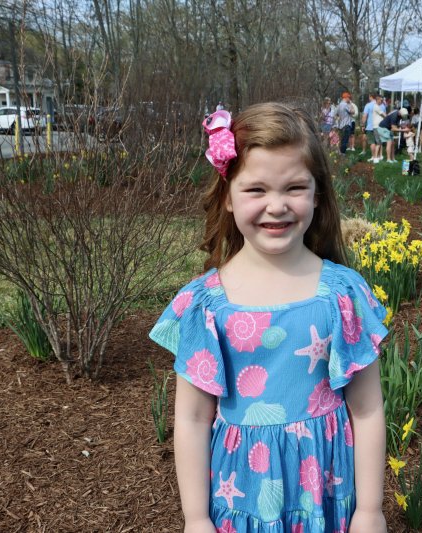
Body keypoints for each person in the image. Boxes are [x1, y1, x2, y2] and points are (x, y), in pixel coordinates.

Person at [152, 103, 389, 532]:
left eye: (295, 187)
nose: (276, 205)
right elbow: (191, 418)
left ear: (317, 194)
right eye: (256, 190)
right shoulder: (208, 305)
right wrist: (196, 518)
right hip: (242, 494)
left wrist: (370, 511)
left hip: (326, 494)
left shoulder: (342, 295)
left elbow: (368, 409)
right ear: (227, 197)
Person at [369, 95, 387, 163]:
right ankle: (375, 158)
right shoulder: (376, 107)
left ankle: (378, 156)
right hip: (377, 126)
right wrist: (389, 117)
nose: (382, 101)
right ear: (378, 100)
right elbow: (384, 115)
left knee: (379, 142)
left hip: (378, 126)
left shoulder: (377, 106)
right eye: (381, 100)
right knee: (378, 142)